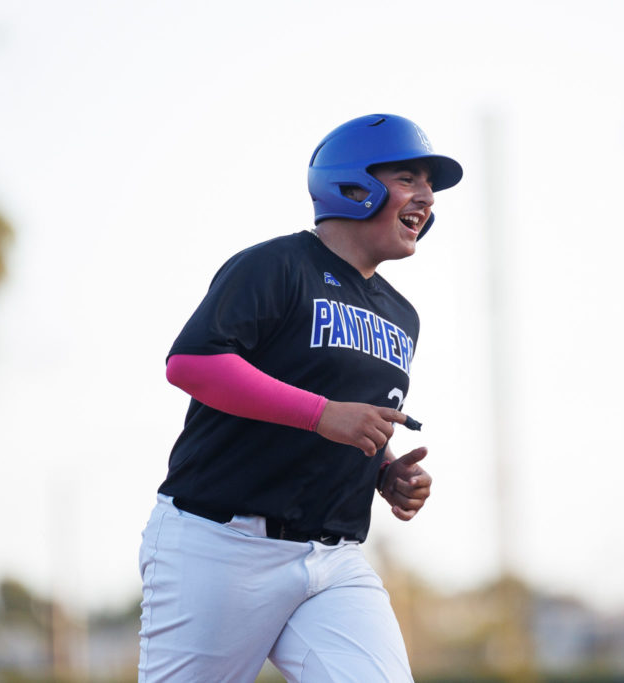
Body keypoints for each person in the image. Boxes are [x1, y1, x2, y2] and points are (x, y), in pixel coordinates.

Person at [137, 113, 463, 682]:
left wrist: (382, 470)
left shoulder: (401, 316)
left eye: (430, 187)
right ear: (353, 185)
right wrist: (324, 416)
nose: (427, 197)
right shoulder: (277, 265)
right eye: (409, 177)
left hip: (331, 559)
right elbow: (191, 363)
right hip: (219, 542)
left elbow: (341, 420)